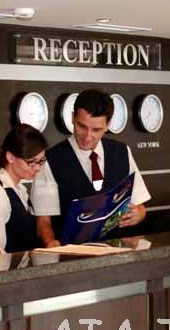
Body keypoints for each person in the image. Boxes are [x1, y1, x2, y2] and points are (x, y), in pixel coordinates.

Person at [32, 89, 151, 247]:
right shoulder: (51, 159)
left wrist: (139, 213)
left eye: (96, 130)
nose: (87, 136)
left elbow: (140, 206)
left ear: (108, 125)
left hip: (119, 252)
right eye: (82, 126)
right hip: (73, 254)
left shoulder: (122, 152)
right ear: (72, 118)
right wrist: (50, 243)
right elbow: (43, 221)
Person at [0, 124, 48, 256]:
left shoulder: (19, 190)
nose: (37, 168)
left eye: (40, 161)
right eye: (31, 162)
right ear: (10, 157)